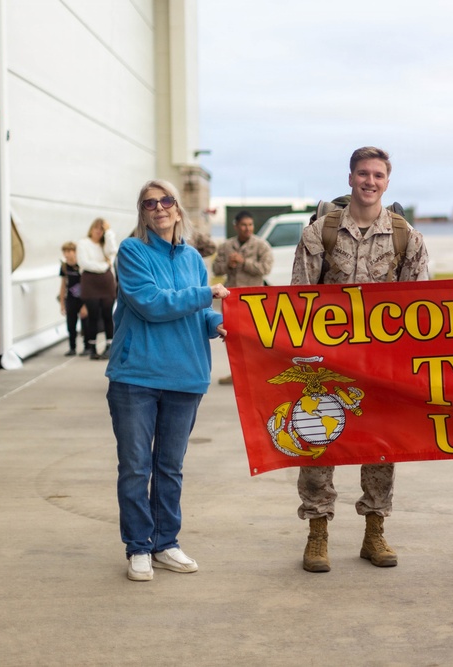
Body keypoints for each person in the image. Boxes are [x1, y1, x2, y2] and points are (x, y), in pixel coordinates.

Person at [290, 146, 429, 573]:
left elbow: (421, 307)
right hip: (326, 362)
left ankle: (374, 531)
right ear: (350, 177)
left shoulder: (407, 237)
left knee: (381, 447)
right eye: (363, 174)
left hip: (381, 364)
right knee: (318, 440)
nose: (370, 182)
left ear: (387, 181)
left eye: (378, 176)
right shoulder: (319, 233)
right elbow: (298, 300)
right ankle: (317, 534)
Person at [105, 180, 229, 582]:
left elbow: (196, 313)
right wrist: (206, 296)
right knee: (137, 468)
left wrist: (221, 322)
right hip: (136, 377)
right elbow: (152, 304)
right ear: (142, 212)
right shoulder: (132, 252)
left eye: (166, 201)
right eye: (149, 203)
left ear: (178, 209)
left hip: (185, 377)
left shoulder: (193, 258)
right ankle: (139, 547)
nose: (159, 207)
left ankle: (165, 544)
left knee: (170, 468)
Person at [212, 210, 273, 385]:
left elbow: (265, 269)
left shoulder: (261, 245)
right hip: (231, 299)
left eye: (250, 225)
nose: (247, 228)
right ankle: (236, 373)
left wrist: (243, 262)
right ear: (236, 226)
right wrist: (228, 264)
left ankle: (255, 373)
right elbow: (216, 269)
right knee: (232, 337)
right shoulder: (226, 246)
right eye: (244, 225)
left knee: (253, 338)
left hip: (254, 300)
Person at [77, 217, 118, 359]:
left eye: (102, 229)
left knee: (108, 315)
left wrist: (109, 232)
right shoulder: (83, 243)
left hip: (106, 283)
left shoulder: (104, 244)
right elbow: (84, 262)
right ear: (91, 229)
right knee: (93, 316)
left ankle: (109, 346)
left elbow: (112, 251)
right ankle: (92, 347)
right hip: (90, 282)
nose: (98, 232)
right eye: (97, 228)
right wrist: (103, 266)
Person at [58, 241, 89, 356]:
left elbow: (88, 284)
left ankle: (87, 346)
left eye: (69, 251)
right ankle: (72, 347)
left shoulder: (82, 265)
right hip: (71, 299)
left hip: (83, 299)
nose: (66, 254)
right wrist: (62, 303)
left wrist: (86, 305)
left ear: (75, 252)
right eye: (64, 252)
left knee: (85, 324)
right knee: (71, 324)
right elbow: (63, 285)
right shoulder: (64, 267)